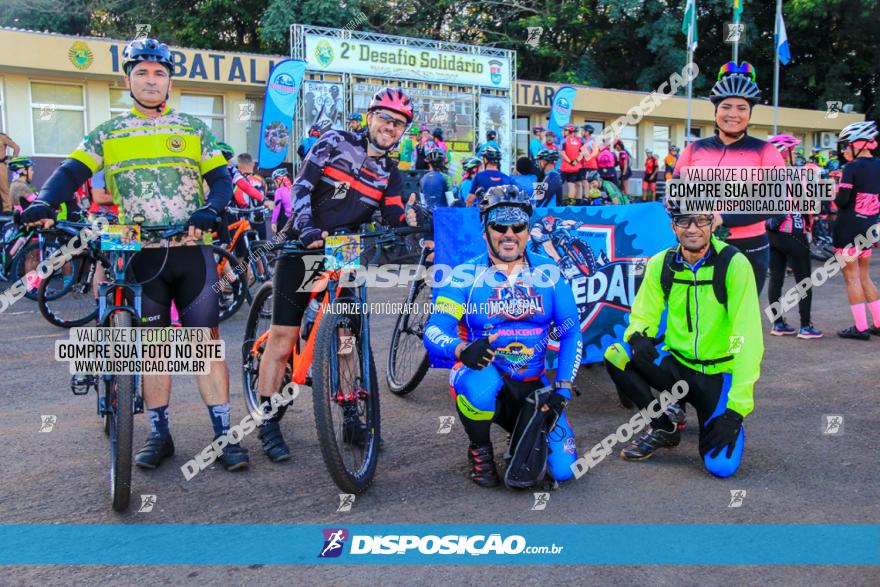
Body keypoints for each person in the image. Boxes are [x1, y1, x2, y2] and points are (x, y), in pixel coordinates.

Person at [20, 37, 247, 471]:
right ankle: (159, 434)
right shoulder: (108, 132)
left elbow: (221, 181)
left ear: (169, 82)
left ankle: (223, 435)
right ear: (128, 81)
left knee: (207, 347)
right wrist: (45, 202)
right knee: (157, 348)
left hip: (189, 250)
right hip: (138, 255)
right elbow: (70, 173)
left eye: (159, 73)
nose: (150, 80)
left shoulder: (193, 129)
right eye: (141, 72)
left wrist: (210, 208)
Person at [257, 88, 416, 461]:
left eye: (398, 125)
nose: (390, 128)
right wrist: (309, 228)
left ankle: (348, 412)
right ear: (370, 116)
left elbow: (393, 216)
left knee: (346, 337)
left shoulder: (390, 172)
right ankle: (267, 421)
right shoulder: (335, 141)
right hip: (304, 244)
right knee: (283, 338)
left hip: (343, 255)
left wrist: (415, 223)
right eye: (385, 119)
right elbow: (302, 187)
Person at [423, 184, 582, 487]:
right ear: (486, 231)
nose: (509, 233)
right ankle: (480, 448)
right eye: (499, 225)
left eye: (517, 225)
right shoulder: (464, 275)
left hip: (534, 383)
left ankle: (520, 427)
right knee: (477, 385)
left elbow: (570, 333)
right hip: (487, 374)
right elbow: (434, 329)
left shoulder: (549, 271)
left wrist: (562, 390)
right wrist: (461, 349)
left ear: (526, 230)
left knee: (564, 471)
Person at [604, 198, 763, 478]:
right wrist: (640, 335)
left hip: (717, 373)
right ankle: (663, 425)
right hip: (676, 365)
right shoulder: (660, 263)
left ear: (712, 223)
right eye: (683, 221)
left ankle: (714, 415)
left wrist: (737, 411)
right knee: (617, 354)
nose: (692, 228)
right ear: (673, 226)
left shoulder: (734, 265)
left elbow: (746, 337)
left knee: (721, 467)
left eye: (700, 220)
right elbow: (644, 313)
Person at [673, 62, 786, 295]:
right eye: (726, 107)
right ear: (715, 112)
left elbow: (775, 202)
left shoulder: (766, 151)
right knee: (703, 315)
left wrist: (722, 217)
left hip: (750, 246)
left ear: (750, 113)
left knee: (741, 320)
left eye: (742, 108)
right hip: (701, 244)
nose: (733, 114)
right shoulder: (694, 149)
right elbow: (675, 195)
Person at [765, 134, 823, 339]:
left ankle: (778, 324)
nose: (795, 154)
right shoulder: (793, 175)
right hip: (793, 232)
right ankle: (806, 326)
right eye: (793, 150)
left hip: (772, 235)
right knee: (803, 281)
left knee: (776, 279)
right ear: (783, 152)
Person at [832, 120, 880, 340]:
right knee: (864, 276)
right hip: (869, 228)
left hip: (847, 229)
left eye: (847, 145)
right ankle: (878, 324)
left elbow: (841, 202)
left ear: (858, 144)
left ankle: (860, 328)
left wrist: (835, 191)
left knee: (851, 278)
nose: (844, 150)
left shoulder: (851, 168)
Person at [559, 124, 583, 203]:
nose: (562, 132)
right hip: (574, 168)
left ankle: (557, 203)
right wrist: (575, 161)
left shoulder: (564, 140)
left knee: (558, 185)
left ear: (568, 131)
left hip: (565, 167)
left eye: (564, 130)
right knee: (572, 186)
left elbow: (562, 153)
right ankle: (570, 204)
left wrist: (570, 161)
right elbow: (581, 154)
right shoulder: (579, 141)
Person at [0, 131, 21, 213]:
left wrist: (13, 160)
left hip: (1, 164)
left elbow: (16, 147)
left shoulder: (2, 137)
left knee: (3, 187)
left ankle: (7, 208)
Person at [270, 168, 292, 234]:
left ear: (279, 180)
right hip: (296, 221)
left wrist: (273, 222)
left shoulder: (279, 191)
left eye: (275, 181)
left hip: (285, 221)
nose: (274, 184)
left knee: (280, 242)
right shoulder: (294, 188)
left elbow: (277, 208)